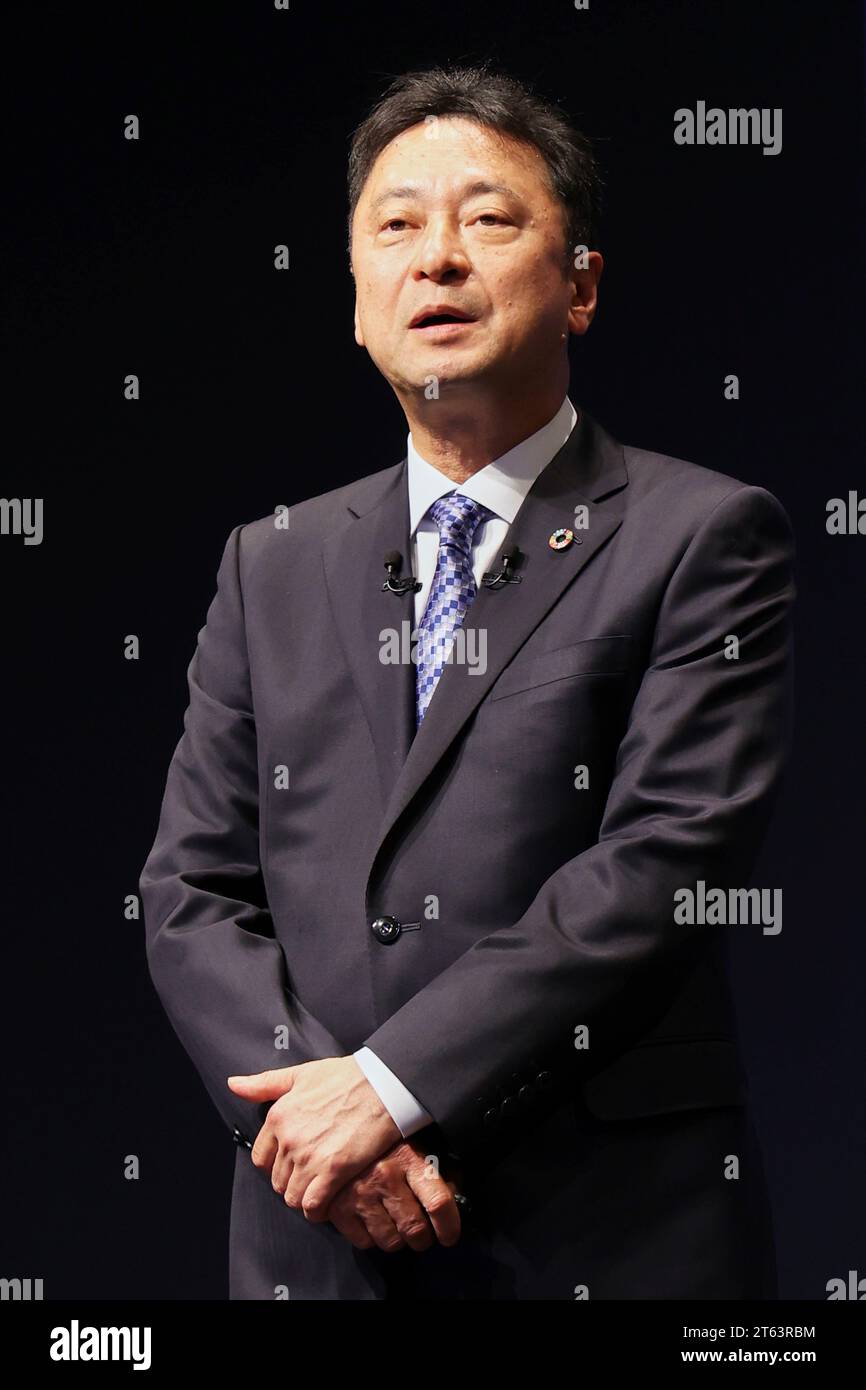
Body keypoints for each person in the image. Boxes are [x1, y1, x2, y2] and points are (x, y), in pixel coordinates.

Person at [139, 63, 794, 1300]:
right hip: (321, 1232)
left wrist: (391, 1088)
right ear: (353, 297)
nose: (434, 259)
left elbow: (665, 859)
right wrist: (324, 1125)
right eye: (394, 226)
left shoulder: (702, 534)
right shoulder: (269, 559)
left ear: (581, 287)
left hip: (605, 1231)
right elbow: (188, 891)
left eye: (487, 220)